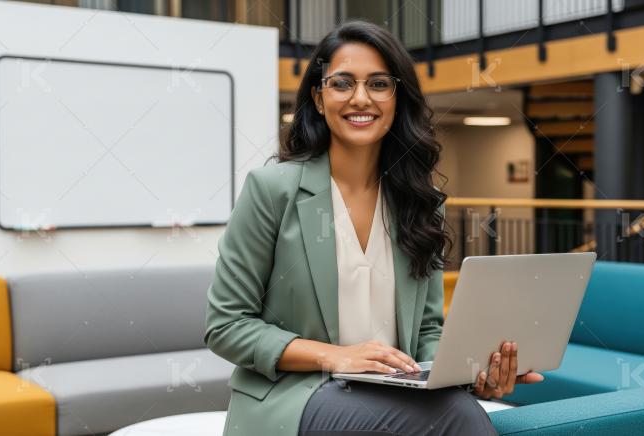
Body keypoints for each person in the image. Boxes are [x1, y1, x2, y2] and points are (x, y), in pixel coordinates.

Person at [205, 20, 544, 436]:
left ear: (397, 98)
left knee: (459, 404)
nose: (360, 98)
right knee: (457, 417)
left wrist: (473, 371)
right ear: (318, 96)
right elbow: (226, 324)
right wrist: (334, 356)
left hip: (395, 392)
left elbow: (426, 333)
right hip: (295, 396)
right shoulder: (272, 190)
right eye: (342, 83)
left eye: (379, 84)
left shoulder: (421, 203)